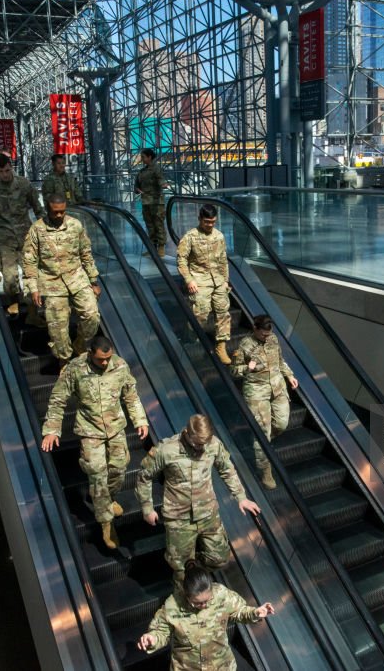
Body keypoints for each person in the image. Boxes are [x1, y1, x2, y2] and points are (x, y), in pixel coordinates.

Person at [41, 336, 149, 549]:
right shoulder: (76, 369)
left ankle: (108, 499)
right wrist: (52, 430)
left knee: (119, 469)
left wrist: (140, 420)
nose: (106, 363)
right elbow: (58, 398)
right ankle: (106, 523)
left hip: (116, 428)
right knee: (98, 475)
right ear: (90, 353)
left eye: (108, 358)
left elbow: (131, 395)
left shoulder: (119, 365)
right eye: (101, 359)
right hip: (90, 432)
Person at [136, 414, 260, 589]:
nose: (201, 448)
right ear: (187, 433)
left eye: (204, 444)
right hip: (179, 519)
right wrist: (147, 508)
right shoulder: (167, 450)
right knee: (180, 569)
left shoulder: (214, 444)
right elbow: (144, 476)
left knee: (220, 557)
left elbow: (227, 469)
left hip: (208, 513)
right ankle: (187, 594)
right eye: (197, 444)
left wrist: (241, 497)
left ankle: (194, 570)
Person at [137, 560, 275, 670]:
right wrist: (152, 639)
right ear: (186, 595)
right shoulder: (172, 605)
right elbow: (161, 631)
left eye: (207, 601)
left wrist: (255, 613)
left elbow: (239, 611)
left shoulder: (221, 594)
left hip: (221, 665)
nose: (204, 606)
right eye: (198, 603)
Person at [23, 193, 101, 363]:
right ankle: (64, 360)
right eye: (55, 212)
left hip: (77, 278)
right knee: (58, 329)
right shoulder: (37, 229)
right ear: (47, 210)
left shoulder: (75, 225)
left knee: (92, 315)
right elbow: (29, 260)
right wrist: (33, 288)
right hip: (51, 283)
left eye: (62, 212)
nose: (59, 215)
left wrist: (94, 281)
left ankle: (80, 343)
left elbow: (85, 254)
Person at [230, 314, 298, 490]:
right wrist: (247, 367)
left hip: (277, 386)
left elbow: (280, 361)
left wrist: (289, 375)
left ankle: (262, 442)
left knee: (282, 424)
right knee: (262, 434)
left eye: (268, 334)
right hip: (257, 392)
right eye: (263, 335)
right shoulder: (245, 345)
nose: (266, 337)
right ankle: (265, 471)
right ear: (255, 328)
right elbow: (234, 372)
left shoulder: (273, 339)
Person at [0, 153, 42, 316]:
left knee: (31, 274)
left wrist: (45, 227)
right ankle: (13, 303)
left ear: (11, 168)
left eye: (7, 170)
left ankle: (32, 311)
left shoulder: (23, 184)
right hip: (4, 238)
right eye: (1, 171)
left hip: (26, 235)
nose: (5, 174)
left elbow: (37, 207)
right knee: (10, 278)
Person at [177, 204, 232, 364]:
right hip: (199, 280)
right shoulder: (190, 237)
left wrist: (226, 280)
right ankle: (191, 338)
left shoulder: (219, 236)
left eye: (213, 221)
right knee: (201, 313)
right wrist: (189, 279)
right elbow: (181, 259)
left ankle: (221, 347)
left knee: (223, 313)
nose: (210, 225)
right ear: (200, 219)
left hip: (218, 281)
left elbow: (223, 260)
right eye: (207, 221)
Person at [134, 148, 169, 256]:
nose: (142, 159)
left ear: (149, 157)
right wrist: (137, 190)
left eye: (143, 157)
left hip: (156, 202)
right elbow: (136, 186)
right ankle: (152, 247)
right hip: (146, 202)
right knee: (150, 225)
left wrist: (164, 184)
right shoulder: (142, 171)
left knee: (158, 224)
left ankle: (161, 246)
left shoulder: (156, 169)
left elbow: (160, 179)